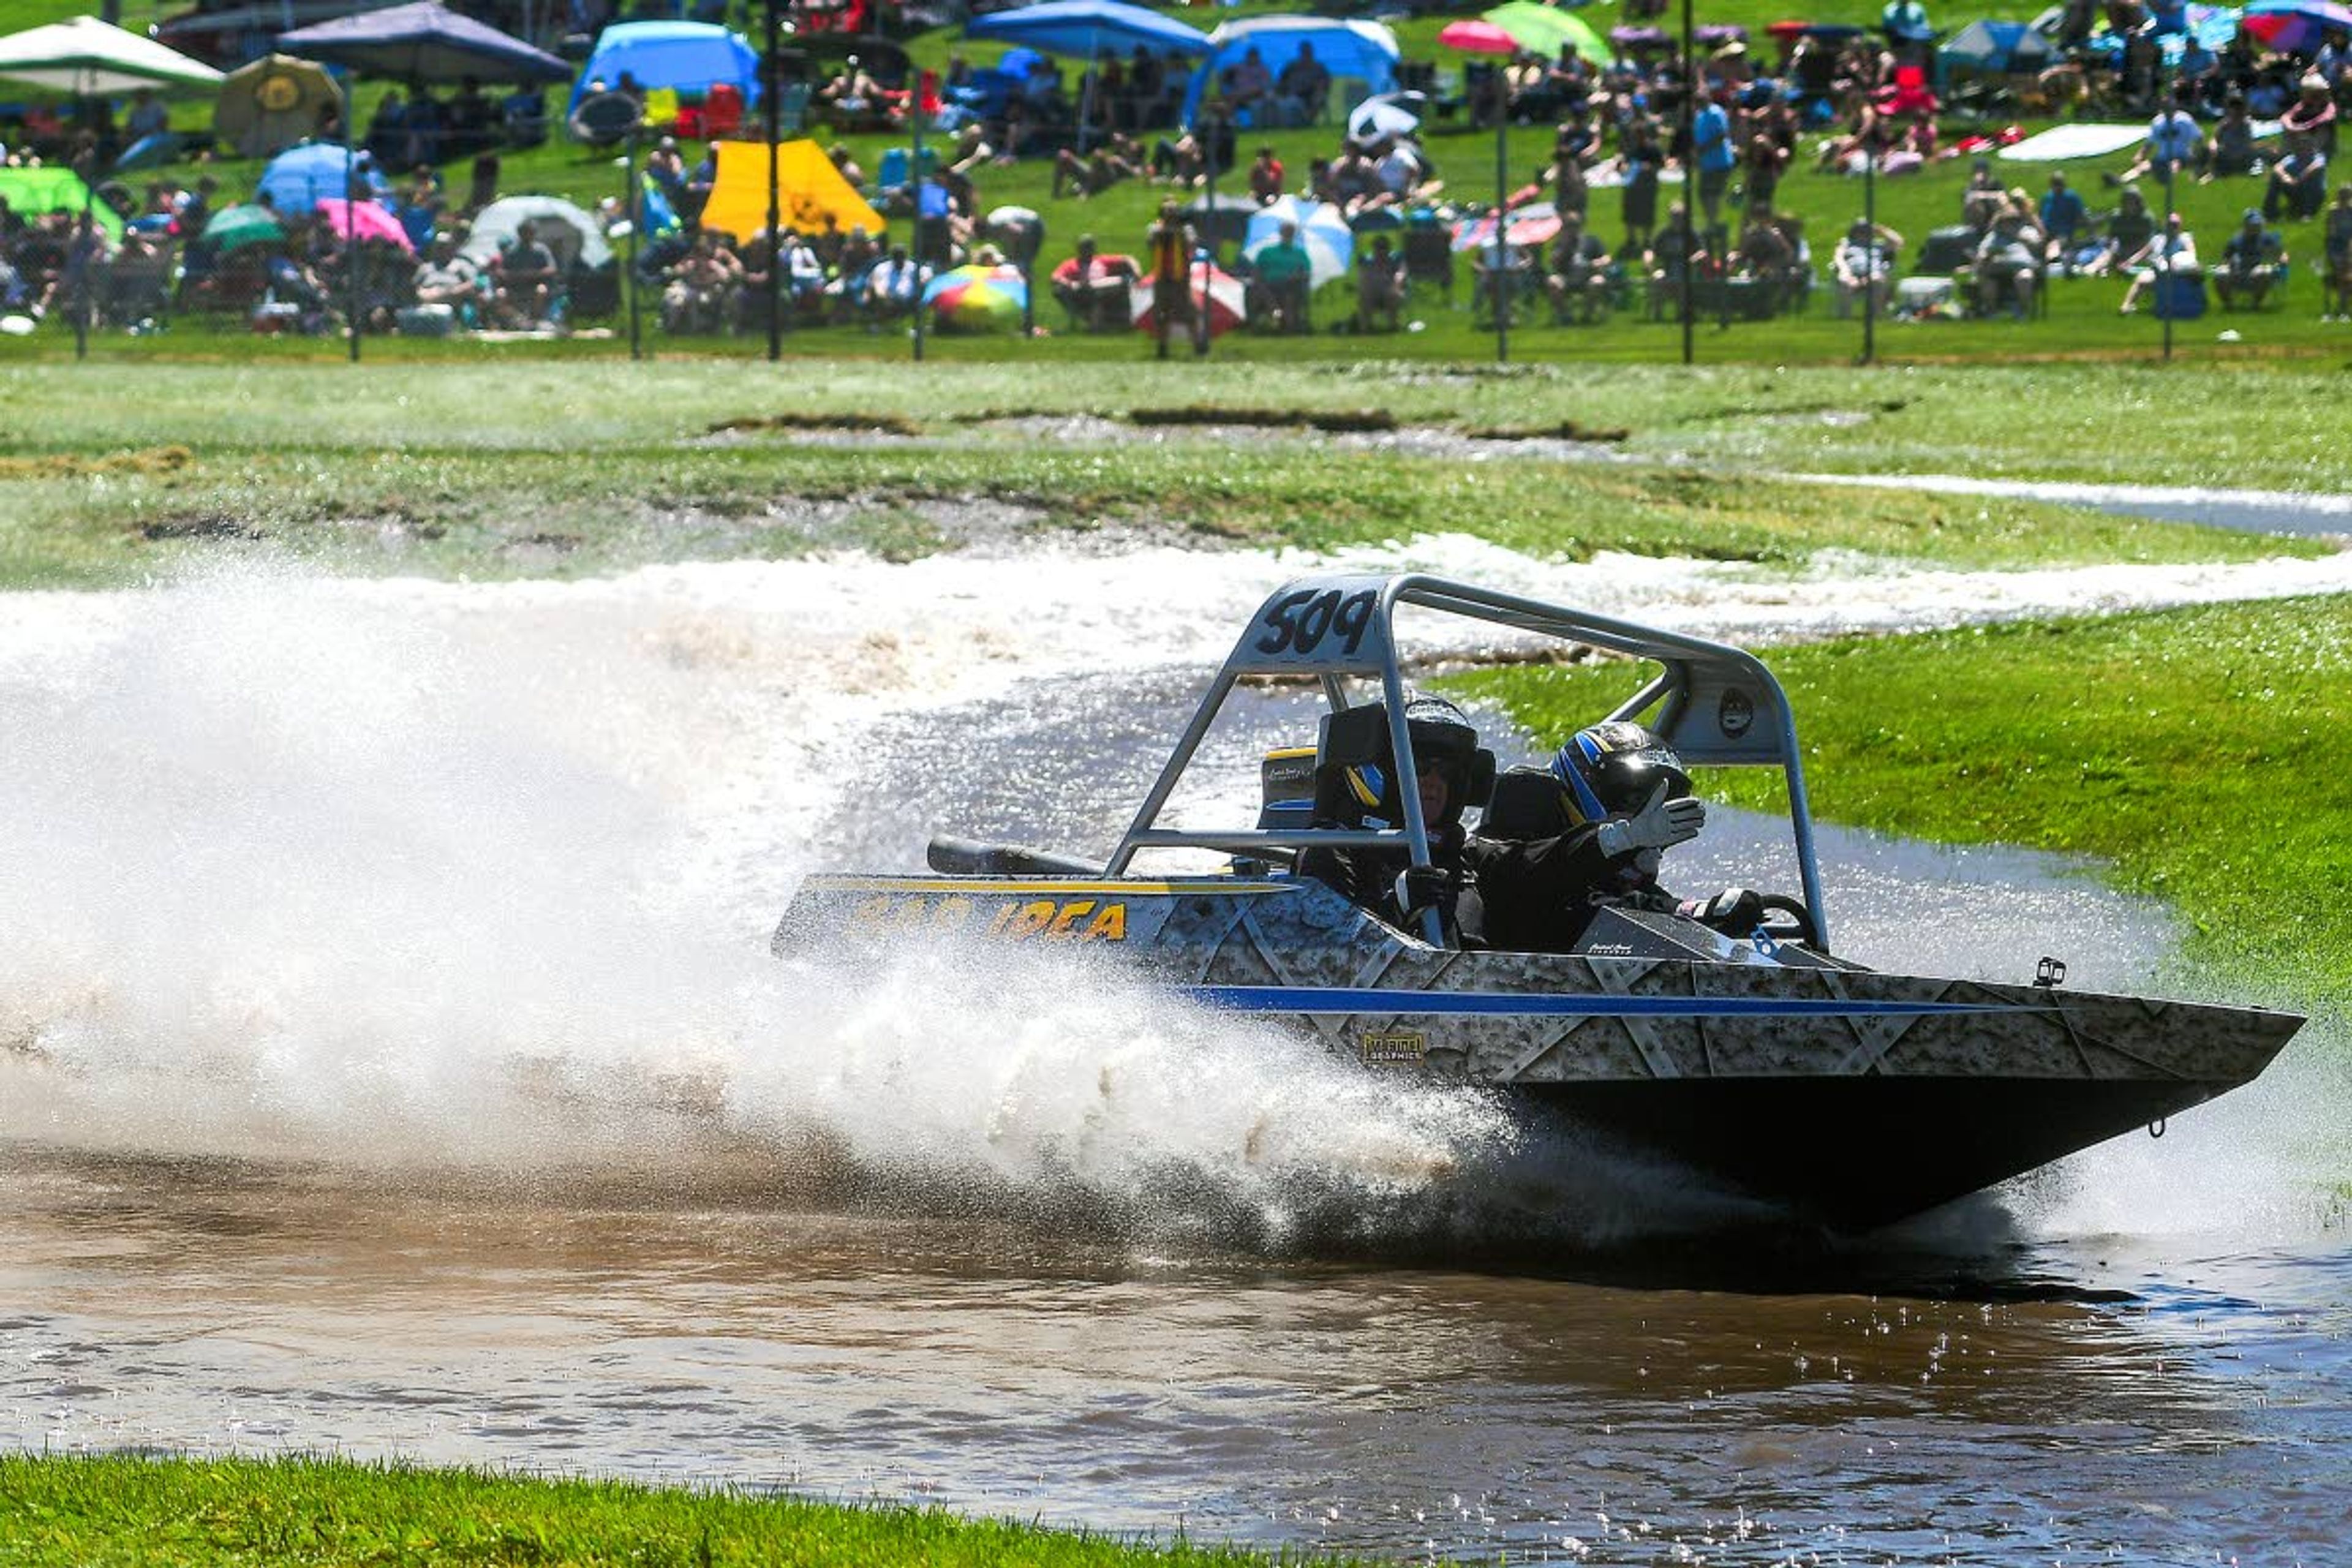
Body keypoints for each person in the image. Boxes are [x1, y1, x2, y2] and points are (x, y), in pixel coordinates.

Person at [2118, 209, 2198, 312]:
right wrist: (2128, 263)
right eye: (2170, 224)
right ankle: (2127, 305)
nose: (2172, 227)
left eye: (2175, 225)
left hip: (2179, 274)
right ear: (2164, 225)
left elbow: (2192, 256)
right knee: (2142, 278)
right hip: (2158, 272)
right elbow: (2141, 254)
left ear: (2180, 226)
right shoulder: (2157, 239)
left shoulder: (2185, 239)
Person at [1250, 218, 1313, 331]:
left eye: (1291, 231)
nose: (1288, 234)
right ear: (1281, 232)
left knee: (1289, 294)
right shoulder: (1267, 252)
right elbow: (1257, 271)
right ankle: (1280, 318)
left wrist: (1297, 276)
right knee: (1266, 292)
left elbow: (1306, 273)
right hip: (1269, 286)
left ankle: (1282, 322)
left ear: (1295, 234)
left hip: (1291, 286)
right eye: (1286, 231)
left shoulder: (1300, 253)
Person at [2214, 209, 2285, 309]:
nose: (2255, 228)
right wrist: (2228, 267)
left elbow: (2281, 255)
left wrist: (2279, 264)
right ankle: (2229, 305)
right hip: (2239, 273)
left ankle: (2256, 304)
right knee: (2220, 273)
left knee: (2263, 272)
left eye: (2258, 224)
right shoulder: (2236, 241)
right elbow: (2225, 260)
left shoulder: (2267, 238)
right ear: (2245, 225)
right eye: (2253, 225)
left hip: (2258, 275)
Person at [2324, 183, 2352, 320]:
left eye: (2347, 195)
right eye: (2342, 195)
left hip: (2349, 248)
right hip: (2336, 248)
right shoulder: (2333, 211)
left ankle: (2344, 309)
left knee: (2346, 279)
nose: (2344, 198)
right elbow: (2331, 233)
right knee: (2341, 278)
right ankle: (2342, 310)